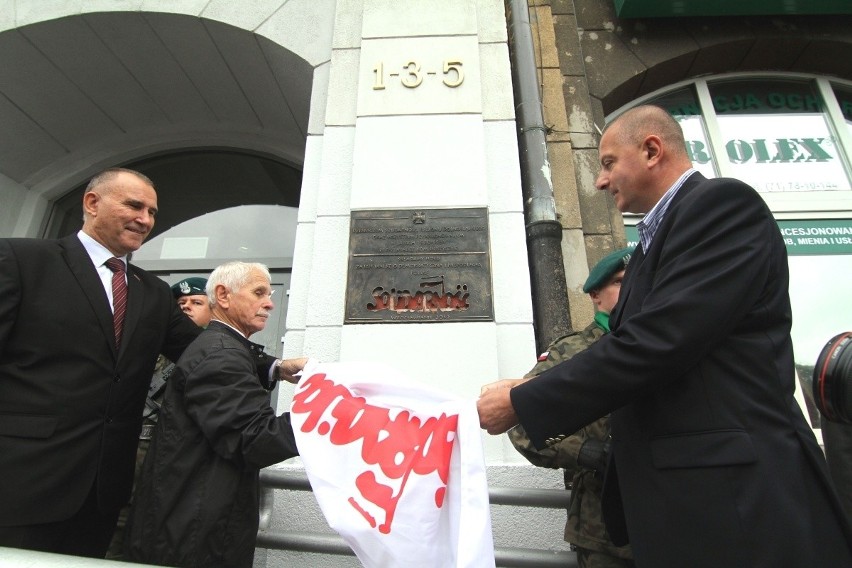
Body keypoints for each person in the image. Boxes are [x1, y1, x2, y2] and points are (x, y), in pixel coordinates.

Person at [477, 105, 852, 567]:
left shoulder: (721, 206)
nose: (599, 180)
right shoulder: (657, 239)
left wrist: (522, 398)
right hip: (688, 507)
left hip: (739, 507)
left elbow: (654, 344)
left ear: (652, 150)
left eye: (609, 162)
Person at [0, 167, 282, 558]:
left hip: (103, 494)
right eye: (134, 206)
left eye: (152, 212)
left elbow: (198, 346)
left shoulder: (152, 292)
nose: (145, 219)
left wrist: (274, 367)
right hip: (20, 482)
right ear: (92, 203)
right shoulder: (21, 260)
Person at [124, 261, 305, 568]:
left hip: (191, 524)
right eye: (259, 292)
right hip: (195, 536)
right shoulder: (221, 355)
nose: (270, 303)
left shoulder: (224, 347)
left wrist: (277, 367)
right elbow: (255, 439)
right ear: (223, 295)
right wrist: (329, 415)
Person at [508, 247, 634, 568]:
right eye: (620, 282)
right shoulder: (572, 353)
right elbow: (522, 427)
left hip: (672, 522)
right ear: (596, 296)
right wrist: (585, 452)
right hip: (602, 531)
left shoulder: (670, 343)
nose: (631, 289)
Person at [106, 276, 211, 559]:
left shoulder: (216, 355)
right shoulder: (154, 349)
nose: (187, 306)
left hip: (176, 458)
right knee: (118, 526)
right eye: (182, 303)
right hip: (134, 449)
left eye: (197, 302)